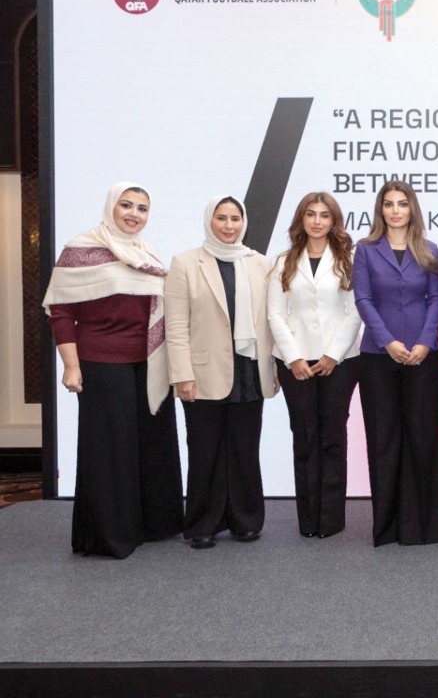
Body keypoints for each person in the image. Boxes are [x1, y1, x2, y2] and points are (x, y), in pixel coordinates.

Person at [44, 182, 183, 559]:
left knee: (152, 445)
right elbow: (61, 311)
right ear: (111, 206)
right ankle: (110, 535)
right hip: (101, 363)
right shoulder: (81, 249)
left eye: (142, 208)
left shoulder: (146, 252)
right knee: (111, 452)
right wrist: (70, 366)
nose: (134, 214)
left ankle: (153, 525)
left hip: (150, 362)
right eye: (127, 205)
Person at [164, 195, 277, 550]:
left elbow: (270, 323)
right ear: (208, 221)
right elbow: (176, 325)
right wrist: (181, 373)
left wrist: (272, 367)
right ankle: (202, 523)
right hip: (201, 372)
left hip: (249, 371)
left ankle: (245, 520)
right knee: (205, 451)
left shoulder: (260, 263)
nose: (229, 225)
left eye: (235, 218)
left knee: (245, 449)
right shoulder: (185, 263)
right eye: (221, 218)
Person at [353, 181, 438, 546]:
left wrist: (424, 343)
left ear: (412, 210)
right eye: (389, 204)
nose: (395, 210)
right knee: (385, 440)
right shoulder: (365, 250)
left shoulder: (429, 249)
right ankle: (389, 527)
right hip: (378, 358)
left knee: (424, 439)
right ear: (380, 210)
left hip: (424, 357)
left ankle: (426, 526)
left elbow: (436, 299)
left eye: (402, 204)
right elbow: (363, 299)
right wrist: (388, 341)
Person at [267, 192, 362, 539]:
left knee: (333, 437)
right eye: (311, 214)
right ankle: (308, 520)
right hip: (294, 362)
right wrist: (292, 357)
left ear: (334, 221)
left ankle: (331, 520)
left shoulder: (349, 260)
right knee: (304, 436)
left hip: (341, 361)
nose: (318, 221)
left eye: (325, 215)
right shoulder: (283, 261)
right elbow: (274, 314)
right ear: (301, 219)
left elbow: (355, 312)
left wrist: (331, 355)